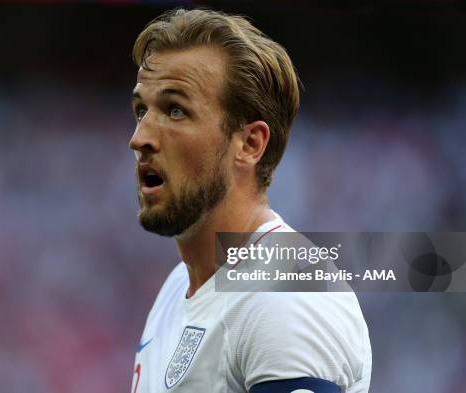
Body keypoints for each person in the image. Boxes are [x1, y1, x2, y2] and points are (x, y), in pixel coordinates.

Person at [128, 8, 371, 393]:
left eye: (175, 110)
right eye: (142, 110)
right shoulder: (178, 286)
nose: (140, 137)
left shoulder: (287, 294)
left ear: (250, 144)